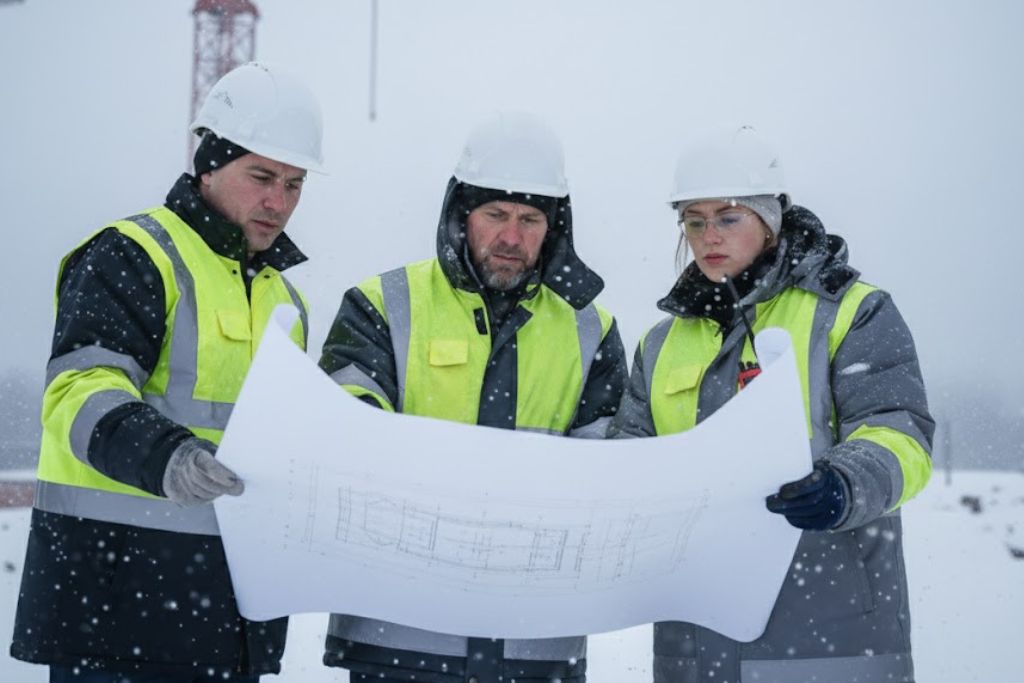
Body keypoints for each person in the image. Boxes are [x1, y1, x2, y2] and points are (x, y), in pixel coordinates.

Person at [10, 62, 326, 682]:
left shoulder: (287, 301)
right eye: (261, 176)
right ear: (209, 164)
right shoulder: (133, 254)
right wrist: (167, 456)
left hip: (230, 620)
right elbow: (78, 391)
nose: (278, 202)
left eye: (294, 184)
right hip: (114, 605)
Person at [609, 125, 934, 683]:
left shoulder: (852, 312)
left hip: (832, 641)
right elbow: (628, 462)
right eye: (694, 220)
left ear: (771, 218)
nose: (709, 235)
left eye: (728, 217)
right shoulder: (659, 343)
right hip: (694, 646)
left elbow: (899, 431)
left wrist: (845, 484)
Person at [318, 111, 627, 683]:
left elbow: (605, 482)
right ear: (461, 213)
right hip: (400, 634)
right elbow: (345, 437)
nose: (511, 238)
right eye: (496, 214)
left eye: (531, 218)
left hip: (535, 644)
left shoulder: (592, 331)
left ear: (554, 226)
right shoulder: (382, 306)